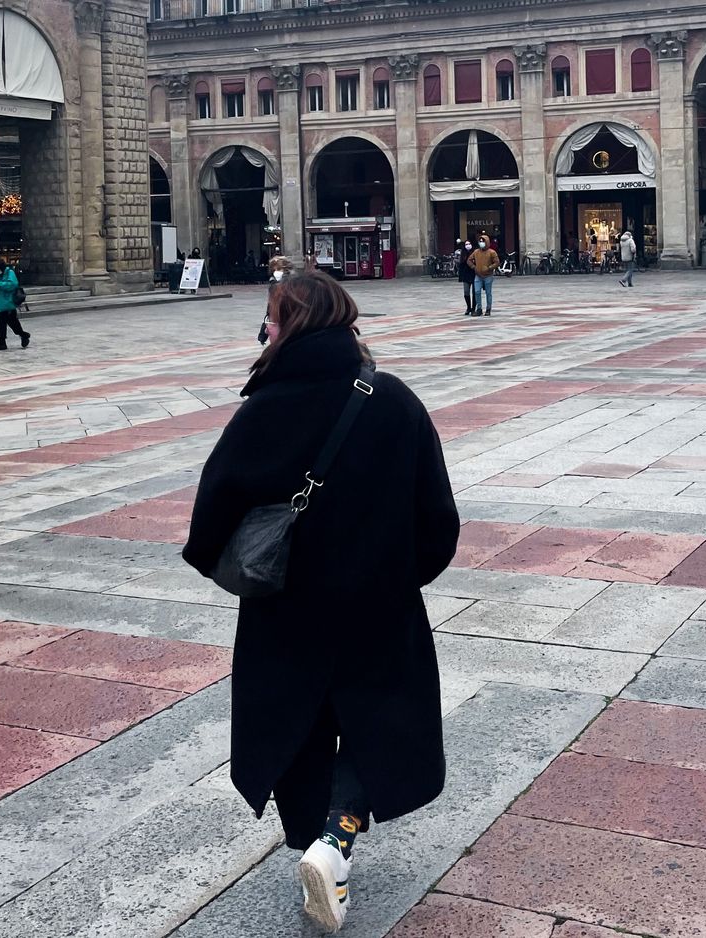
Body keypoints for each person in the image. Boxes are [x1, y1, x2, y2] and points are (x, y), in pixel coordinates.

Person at [182, 270, 459, 933]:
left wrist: (248, 567)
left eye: (272, 321)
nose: (266, 331)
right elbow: (438, 521)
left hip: (285, 609)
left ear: (293, 328)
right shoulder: (391, 400)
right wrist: (395, 573)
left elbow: (206, 526)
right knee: (385, 720)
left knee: (296, 727)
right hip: (379, 604)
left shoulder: (264, 410)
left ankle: (320, 842)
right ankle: (335, 840)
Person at [0, 262, 30, 349]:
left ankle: (23, 335)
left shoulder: (10, 273)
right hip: (2, 302)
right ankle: (3, 341)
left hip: (9, 302)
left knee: (13, 323)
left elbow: (12, 285)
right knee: (1, 323)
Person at [259, 255, 294, 344]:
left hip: (288, 317)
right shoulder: (273, 283)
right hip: (276, 317)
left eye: (279, 269)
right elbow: (270, 304)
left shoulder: (292, 283)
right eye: (274, 269)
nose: (276, 272)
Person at [467, 235, 499, 316]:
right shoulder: (476, 252)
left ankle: (488, 309)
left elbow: (497, 262)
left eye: (483, 241)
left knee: (488, 293)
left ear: (487, 242)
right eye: (480, 241)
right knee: (477, 292)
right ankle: (479, 308)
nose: (481, 243)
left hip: (488, 275)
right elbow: (469, 260)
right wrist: (474, 267)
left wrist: (489, 268)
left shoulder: (492, 252)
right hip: (478, 275)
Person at [456, 238, 476, 315]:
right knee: (466, 292)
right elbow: (461, 265)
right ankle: (468, 307)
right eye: (466, 244)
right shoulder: (463, 253)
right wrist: (460, 277)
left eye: (469, 244)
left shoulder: (475, 252)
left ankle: (474, 308)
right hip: (465, 275)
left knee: (475, 292)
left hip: (474, 274)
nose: (468, 246)